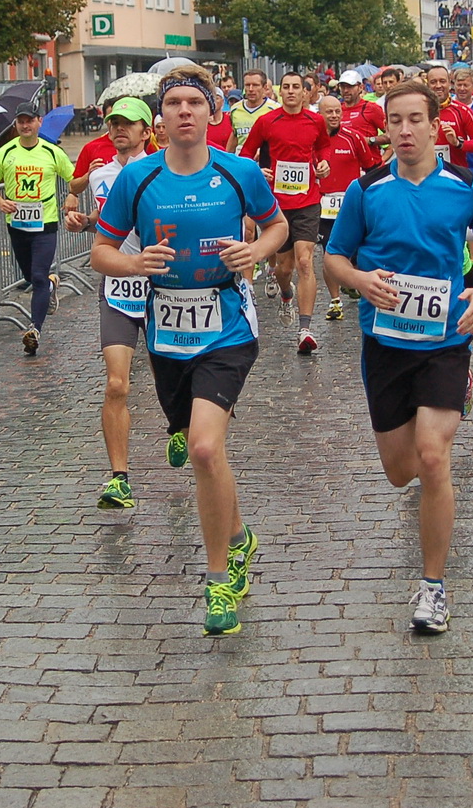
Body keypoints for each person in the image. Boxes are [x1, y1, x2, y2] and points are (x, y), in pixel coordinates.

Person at [92, 64, 286, 636]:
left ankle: (219, 579)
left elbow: (276, 229)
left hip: (228, 325)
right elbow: (102, 251)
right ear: (160, 119)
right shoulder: (139, 180)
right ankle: (239, 534)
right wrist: (133, 263)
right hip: (167, 331)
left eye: (193, 103)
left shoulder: (240, 172)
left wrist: (253, 252)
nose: (183, 111)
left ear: (211, 114)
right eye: (173, 102)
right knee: (194, 442)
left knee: (203, 448)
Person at [325, 80, 473, 633]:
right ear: (386, 127)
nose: (404, 130)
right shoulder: (367, 189)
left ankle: (432, 587)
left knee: (433, 458)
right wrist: (359, 279)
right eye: (395, 121)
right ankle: (435, 420)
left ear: (435, 126)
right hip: (384, 343)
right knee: (400, 470)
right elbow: (334, 255)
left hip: (446, 341)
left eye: (414, 120)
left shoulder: (466, 186)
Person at [63, 97, 156, 509]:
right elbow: (107, 230)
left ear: (145, 131)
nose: (119, 130)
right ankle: (119, 477)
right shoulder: (101, 174)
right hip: (118, 290)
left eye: (129, 123)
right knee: (117, 383)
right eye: (114, 123)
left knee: (173, 384)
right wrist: (82, 222)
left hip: (162, 292)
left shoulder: (162, 170)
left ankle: (177, 426)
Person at [239, 71, 331, 353]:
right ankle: (286, 294)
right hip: (276, 205)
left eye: (296, 87)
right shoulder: (267, 121)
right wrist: (259, 170)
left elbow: (324, 148)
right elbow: (246, 155)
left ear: (305, 93)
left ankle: (305, 329)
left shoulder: (316, 121)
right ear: (279, 93)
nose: (291, 92)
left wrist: (324, 165)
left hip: (307, 200)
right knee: (284, 268)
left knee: (305, 262)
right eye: (286, 87)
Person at [0, 102, 74, 356]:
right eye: (21, 121)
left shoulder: (52, 152)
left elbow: (72, 178)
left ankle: (34, 329)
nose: (25, 125)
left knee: (40, 275)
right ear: (16, 124)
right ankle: (51, 288)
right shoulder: (6, 152)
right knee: (31, 277)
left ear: (38, 122)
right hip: (17, 224)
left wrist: (72, 195)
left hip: (46, 223)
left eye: (29, 120)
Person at [317, 94, 382, 321]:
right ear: (320, 113)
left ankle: (355, 282)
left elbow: (372, 168)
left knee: (356, 254)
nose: (334, 116)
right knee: (329, 253)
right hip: (322, 205)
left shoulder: (353, 137)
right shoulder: (312, 139)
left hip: (350, 205)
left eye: (338, 111)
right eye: (329, 112)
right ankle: (335, 301)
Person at [229, 70, 278, 152]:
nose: (251, 89)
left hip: (264, 161)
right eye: (247, 85)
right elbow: (235, 136)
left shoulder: (274, 109)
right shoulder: (235, 109)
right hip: (242, 160)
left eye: (255, 85)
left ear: (265, 87)